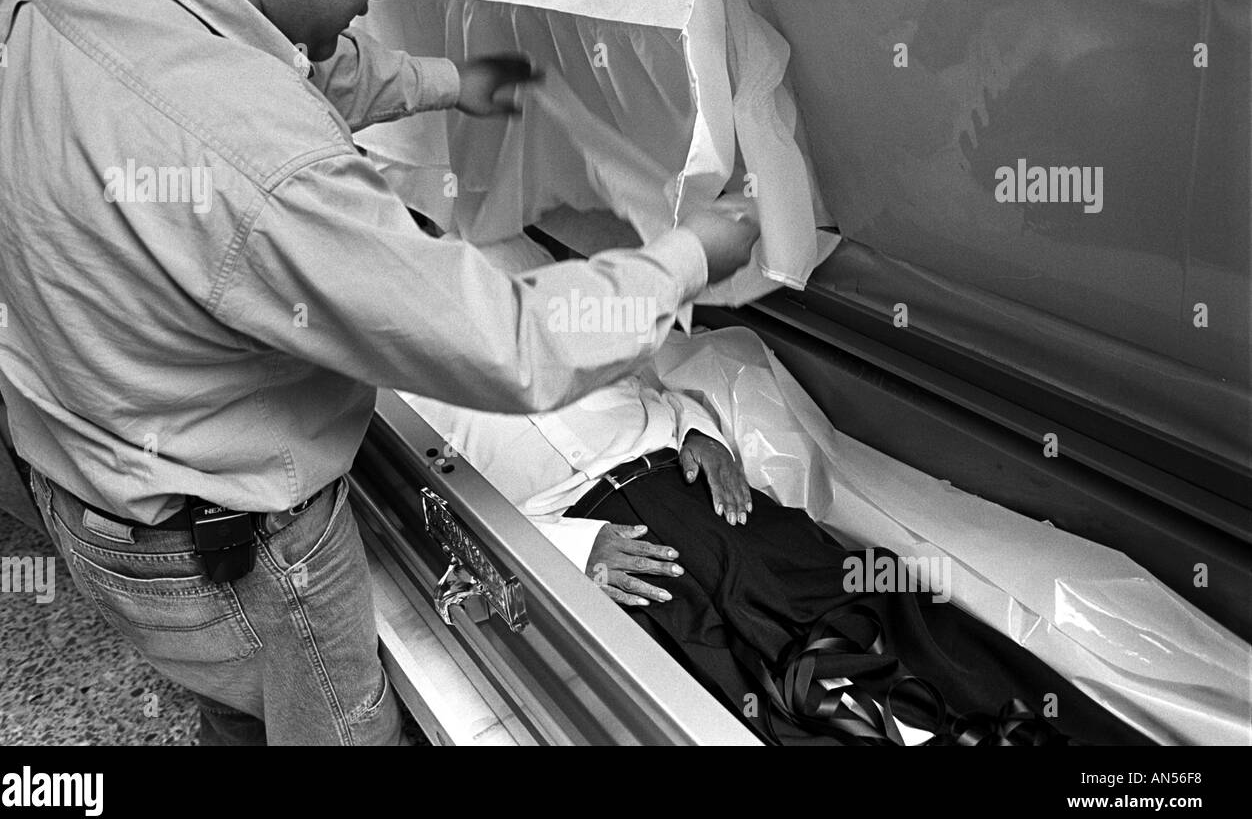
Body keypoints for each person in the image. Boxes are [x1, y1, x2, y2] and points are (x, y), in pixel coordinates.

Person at [0, 0, 758, 745]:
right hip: (230, 557)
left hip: (85, 498)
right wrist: (693, 253)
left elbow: (276, 64)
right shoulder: (260, 162)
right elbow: (511, 343)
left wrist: (453, 82)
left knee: (241, 707)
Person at [402, 233, 1156, 746]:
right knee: (755, 697)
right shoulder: (405, 371)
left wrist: (697, 434)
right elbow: (430, 494)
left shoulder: (543, 290)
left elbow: (653, 383)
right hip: (599, 541)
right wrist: (572, 553)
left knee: (872, 614)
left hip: (684, 482)